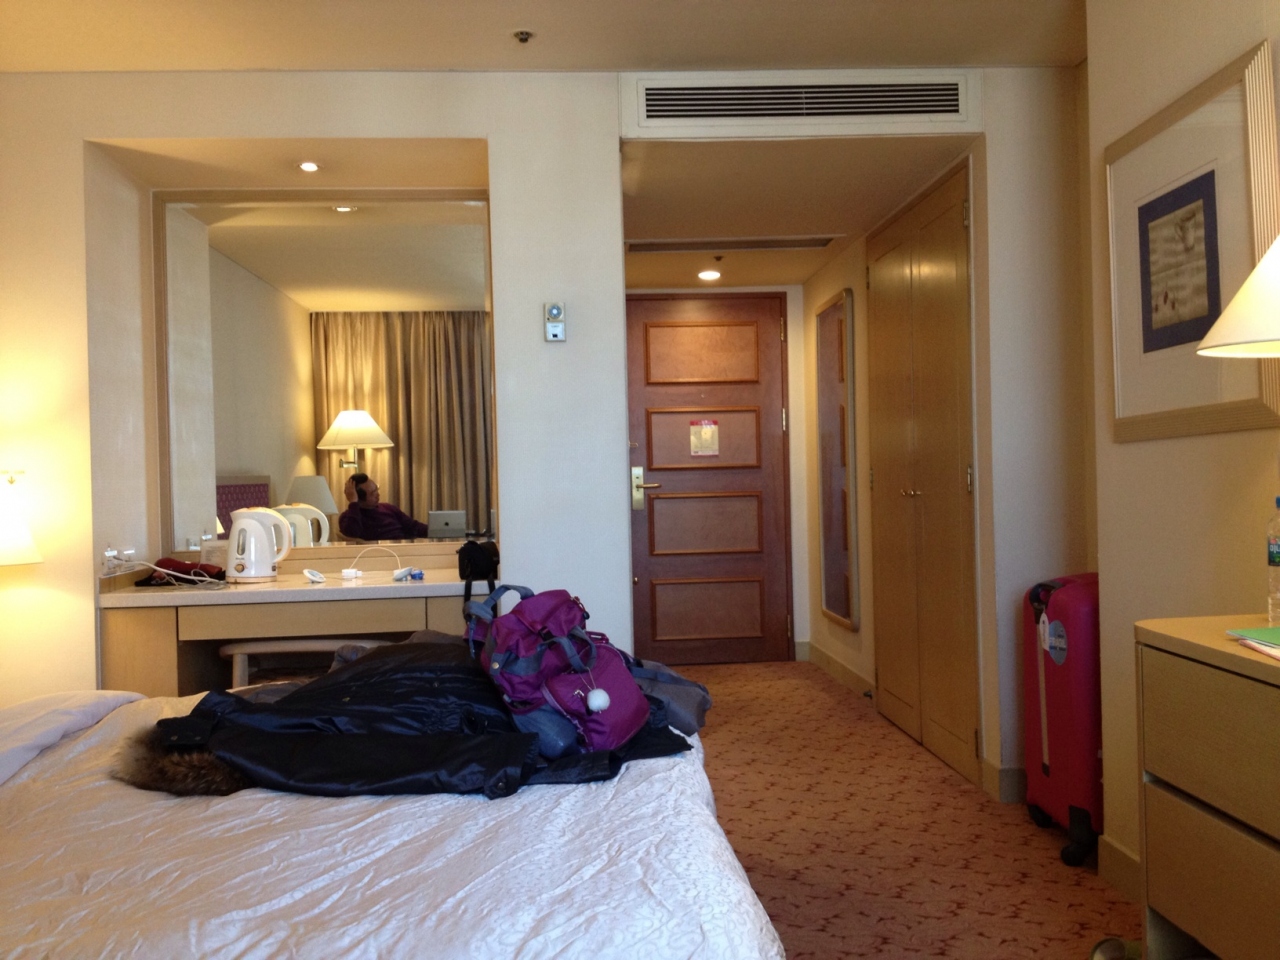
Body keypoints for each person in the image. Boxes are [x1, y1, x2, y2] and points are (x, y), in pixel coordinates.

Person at [338, 473, 430, 540]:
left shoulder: (388, 508)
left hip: (403, 548)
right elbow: (352, 533)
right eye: (372, 493)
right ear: (359, 497)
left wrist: (435, 530)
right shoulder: (348, 517)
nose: (378, 494)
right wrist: (353, 502)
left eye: (376, 489)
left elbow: (413, 526)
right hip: (379, 554)